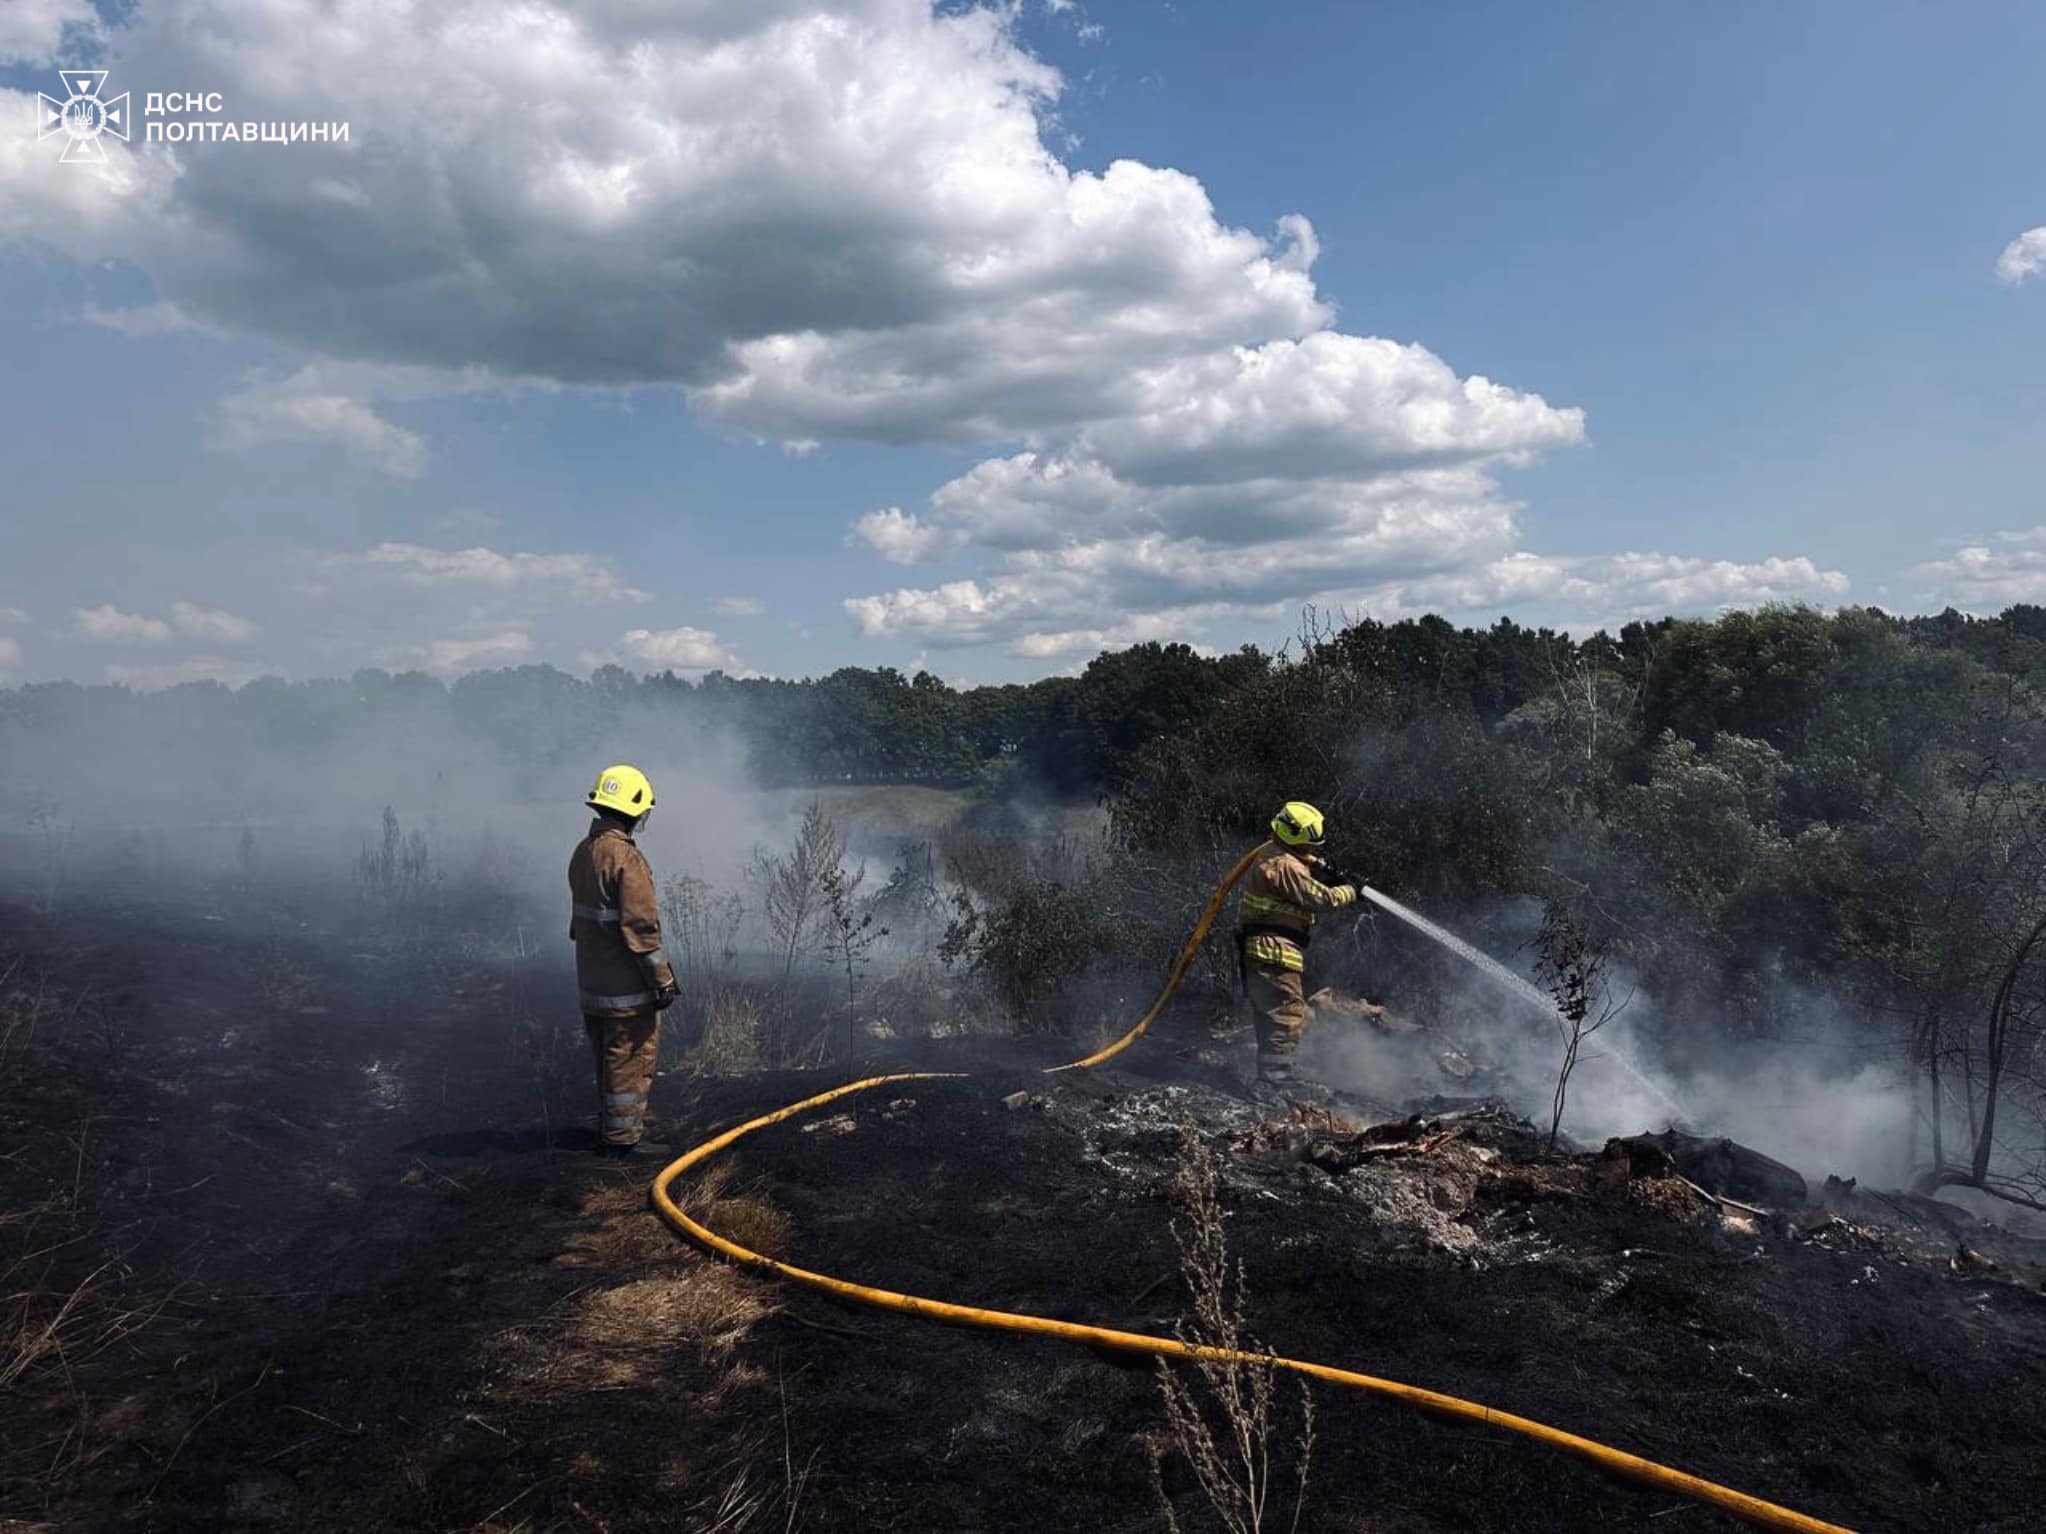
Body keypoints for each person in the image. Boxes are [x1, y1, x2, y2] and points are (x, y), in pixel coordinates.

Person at [568, 764, 678, 1159]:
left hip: (592, 980)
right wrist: (662, 980)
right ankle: (623, 1139)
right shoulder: (625, 859)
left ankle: (610, 1126)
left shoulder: (585, 851)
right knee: (630, 1058)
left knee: (607, 1056)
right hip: (626, 987)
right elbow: (641, 928)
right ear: (633, 810)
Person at [1236, 800, 1367, 1090]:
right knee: (1287, 1015)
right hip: (1274, 951)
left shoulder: (1275, 854)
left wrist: (1324, 873)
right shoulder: (1285, 864)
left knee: (1271, 1015)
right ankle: (1275, 1085)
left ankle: (1271, 1079)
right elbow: (1321, 899)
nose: (1313, 851)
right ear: (1296, 836)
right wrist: (1351, 890)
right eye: (1309, 844)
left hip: (1265, 950)